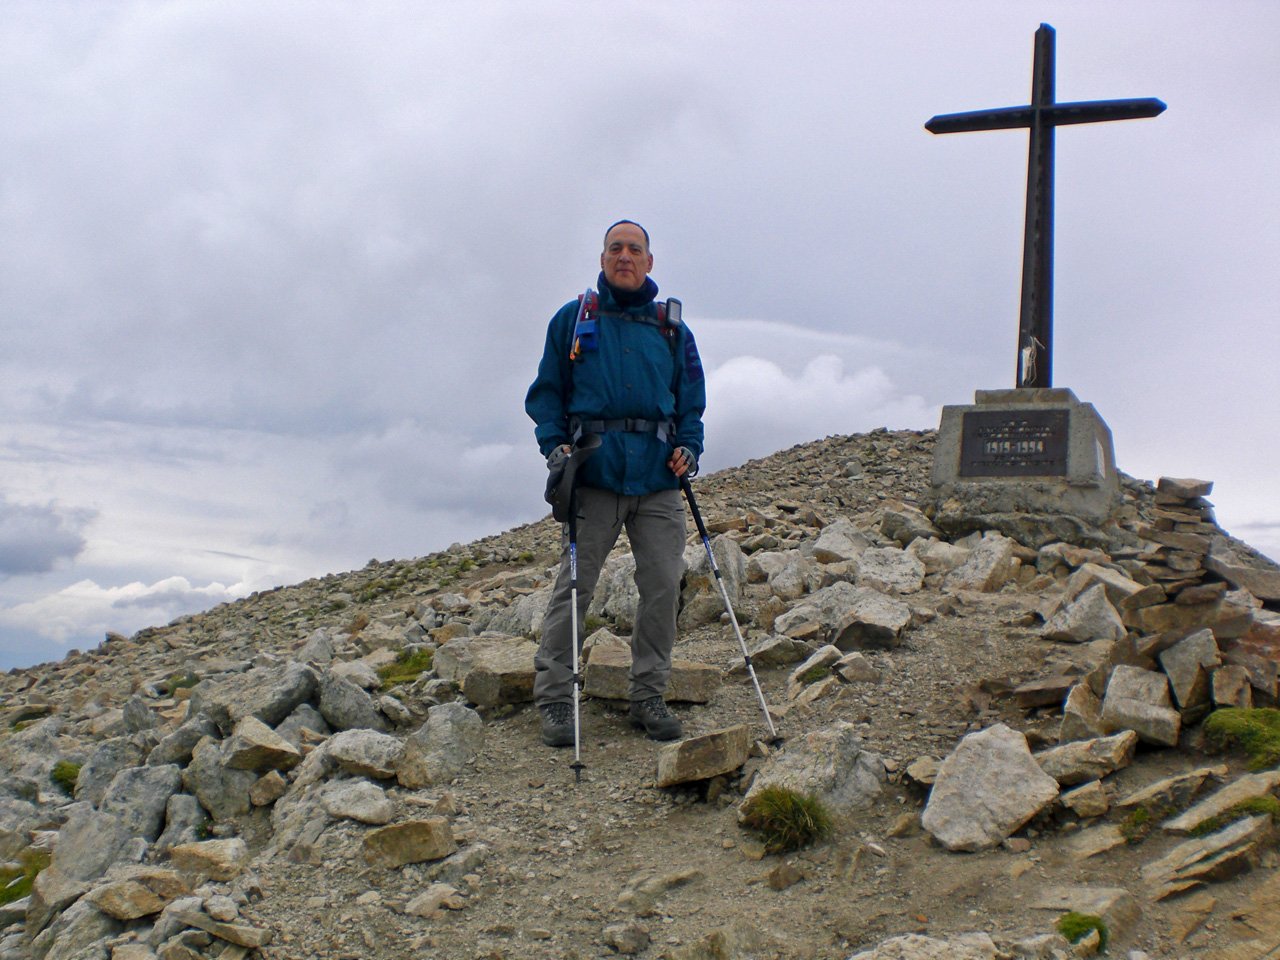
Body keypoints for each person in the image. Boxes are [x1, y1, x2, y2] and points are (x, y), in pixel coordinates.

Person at [525, 220, 706, 746]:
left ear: (650, 261)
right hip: (594, 477)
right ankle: (556, 700)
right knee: (575, 589)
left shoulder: (672, 330)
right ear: (602, 258)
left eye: (635, 249)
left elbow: (691, 400)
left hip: (658, 481)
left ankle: (648, 694)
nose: (624, 256)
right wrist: (556, 449)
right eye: (615, 248)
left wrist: (689, 448)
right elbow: (546, 394)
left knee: (661, 587)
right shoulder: (573, 319)